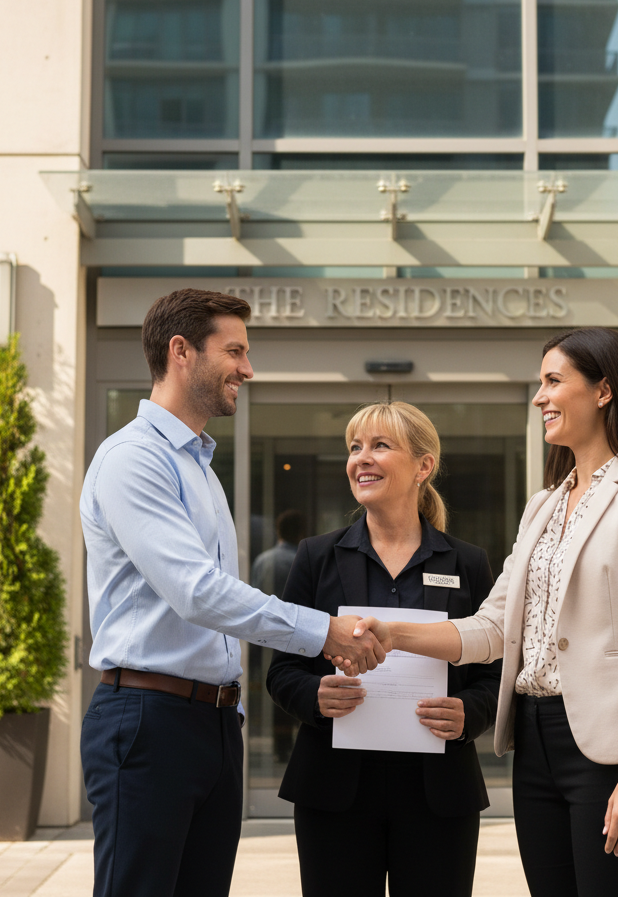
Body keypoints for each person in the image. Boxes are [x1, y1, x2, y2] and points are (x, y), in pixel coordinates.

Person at [345, 328, 618, 897]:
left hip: (612, 748)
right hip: (534, 742)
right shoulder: (544, 503)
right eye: (540, 384)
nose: (540, 397)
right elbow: (492, 628)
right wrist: (392, 632)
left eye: (554, 381)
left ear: (604, 390)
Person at [78, 288, 386, 897]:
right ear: (181, 351)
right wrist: (322, 629)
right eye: (236, 351)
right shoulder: (133, 460)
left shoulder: (198, 468)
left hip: (214, 723)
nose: (248, 368)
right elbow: (198, 593)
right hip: (147, 720)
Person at [266, 401, 502, 897]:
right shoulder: (316, 557)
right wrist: (314, 697)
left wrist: (469, 713)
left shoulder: (468, 563)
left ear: (423, 466)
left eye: (379, 446)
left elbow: (496, 671)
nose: (361, 458)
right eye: (354, 448)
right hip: (335, 790)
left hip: (439, 790)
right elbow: (282, 669)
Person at [250, 509, 307, 762]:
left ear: (278, 531)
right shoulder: (305, 559)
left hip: (266, 638)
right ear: (302, 532)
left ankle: (280, 747)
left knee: (274, 690)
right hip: (303, 637)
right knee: (299, 688)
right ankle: (296, 743)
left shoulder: (263, 560)